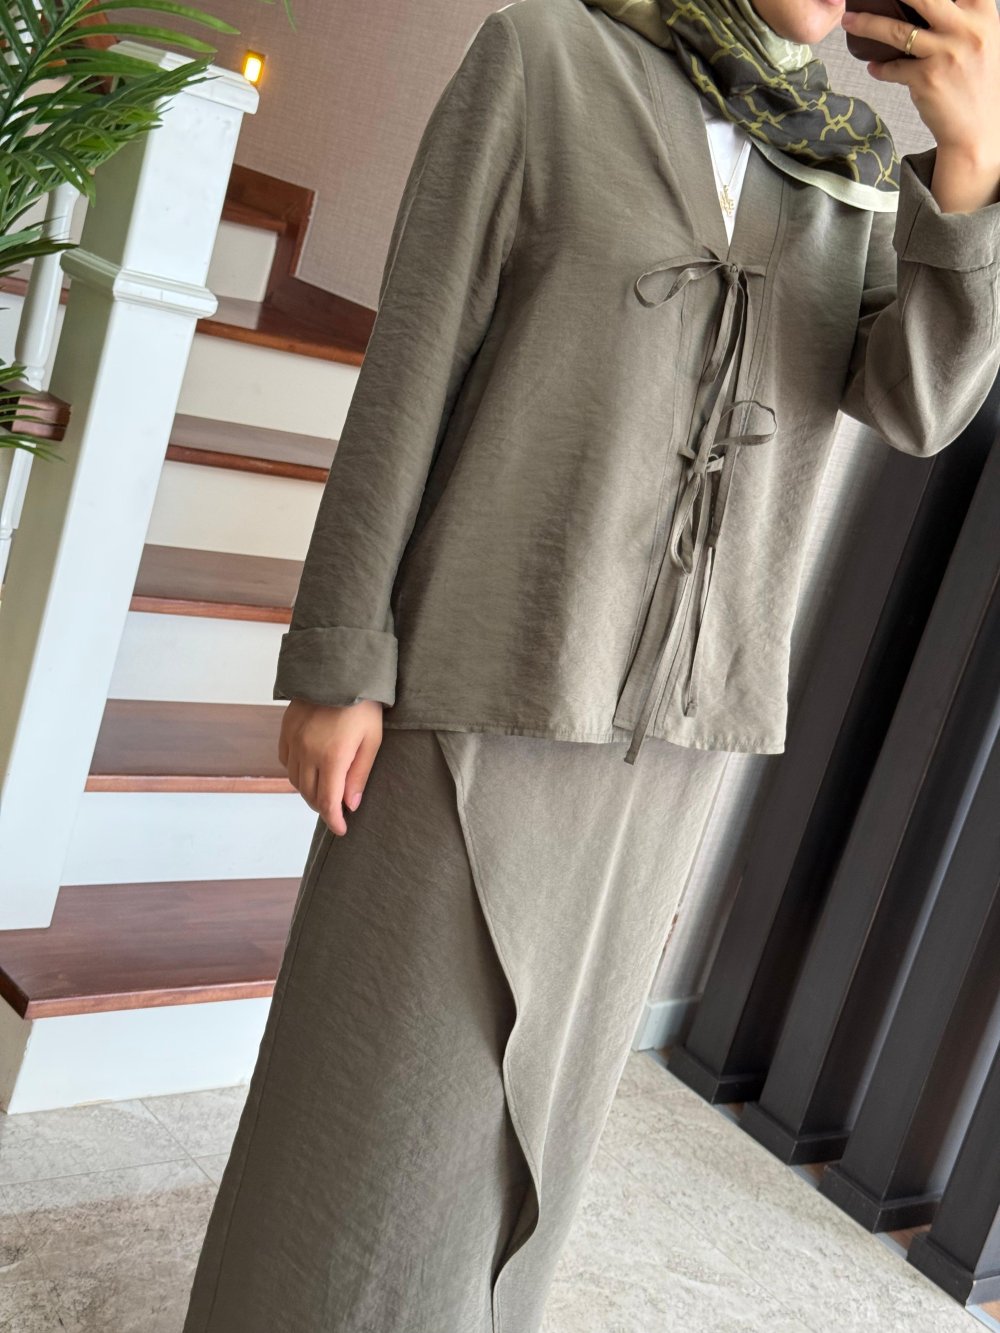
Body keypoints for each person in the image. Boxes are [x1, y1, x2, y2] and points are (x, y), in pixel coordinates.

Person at [182, 1, 1000, 1329]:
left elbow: (919, 405)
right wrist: (343, 656)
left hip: (668, 742)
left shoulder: (847, 167)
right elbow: (416, 358)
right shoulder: (547, 58)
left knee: (534, 1151)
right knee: (373, 1120)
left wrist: (970, 163)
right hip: (473, 685)